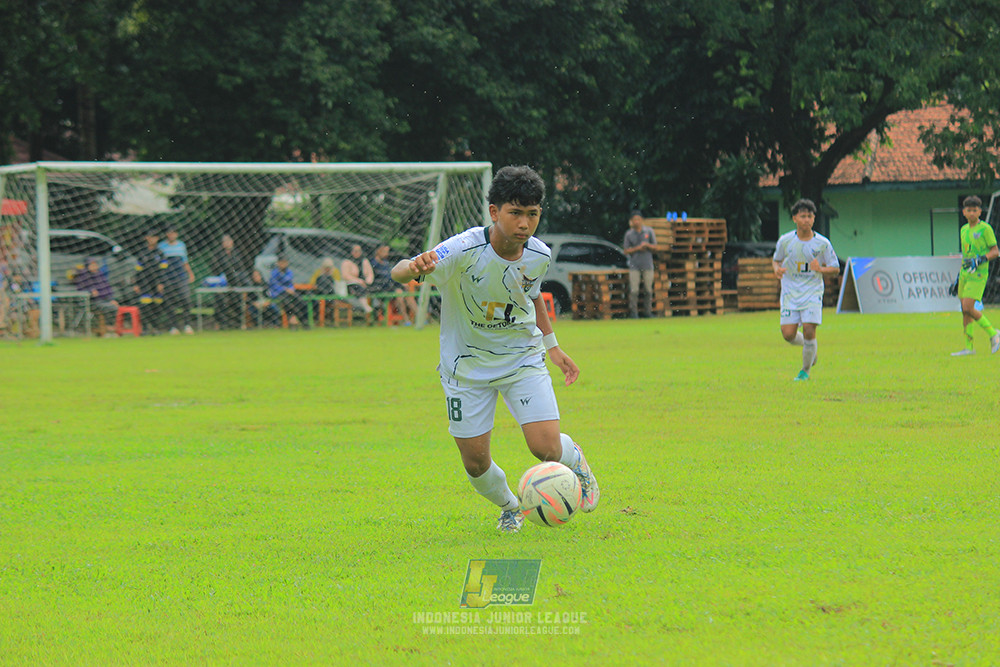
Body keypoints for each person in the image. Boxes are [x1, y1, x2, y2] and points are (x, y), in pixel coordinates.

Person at [390, 164, 600, 533]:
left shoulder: (539, 255)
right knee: (475, 463)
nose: (524, 223)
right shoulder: (461, 250)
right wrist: (411, 267)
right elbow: (399, 272)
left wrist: (553, 347)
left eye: (532, 214)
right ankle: (511, 506)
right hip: (465, 369)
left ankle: (576, 462)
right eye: (515, 213)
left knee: (546, 447)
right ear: (494, 212)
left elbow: (531, 297)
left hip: (522, 360)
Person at [772, 198, 840, 380]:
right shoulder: (785, 241)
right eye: (802, 216)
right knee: (788, 335)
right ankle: (811, 350)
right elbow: (776, 260)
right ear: (795, 218)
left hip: (812, 291)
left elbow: (835, 268)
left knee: (810, 329)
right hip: (790, 292)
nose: (806, 220)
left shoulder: (822, 243)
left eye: (810, 216)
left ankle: (805, 371)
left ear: (814, 219)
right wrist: (777, 270)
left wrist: (821, 269)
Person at [950, 195, 1000, 356]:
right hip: (965, 274)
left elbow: (995, 251)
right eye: (968, 210)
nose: (971, 213)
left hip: (978, 274)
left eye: (975, 210)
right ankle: (968, 348)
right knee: (964, 311)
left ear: (980, 211)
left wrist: (980, 260)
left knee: (968, 307)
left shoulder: (985, 229)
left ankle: (994, 333)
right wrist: (959, 278)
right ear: (964, 212)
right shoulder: (964, 230)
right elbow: (966, 255)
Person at [158, 225, 196, 335]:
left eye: (174, 233)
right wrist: (160, 281)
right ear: (167, 234)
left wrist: (190, 273)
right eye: (169, 233)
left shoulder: (181, 245)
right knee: (170, 301)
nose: (172, 235)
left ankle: (187, 325)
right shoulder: (161, 246)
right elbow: (160, 265)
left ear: (177, 234)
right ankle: (173, 327)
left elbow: (185, 261)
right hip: (167, 277)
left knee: (185, 299)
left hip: (181, 277)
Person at [623, 209, 657, 318]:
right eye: (634, 220)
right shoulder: (629, 234)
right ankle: (634, 313)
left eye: (638, 219)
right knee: (634, 290)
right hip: (634, 266)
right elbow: (626, 250)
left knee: (648, 289)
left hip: (648, 265)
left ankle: (647, 312)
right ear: (631, 221)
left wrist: (647, 246)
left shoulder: (649, 231)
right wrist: (638, 248)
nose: (637, 221)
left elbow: (655, 247)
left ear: (642, 220)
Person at [372, 244, 416, 325]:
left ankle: (420, 318)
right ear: (378, 251)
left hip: (393, 285)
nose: (387, 254)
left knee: (409, 295)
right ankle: (406, 320)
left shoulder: (386, 263)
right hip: (381, 287)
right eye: (385, 251)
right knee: (399, 293)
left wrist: (403, 283)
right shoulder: (373, 263)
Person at [210, 234, 248, 329]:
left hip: (235, 283)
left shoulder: (236, 253)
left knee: (237, 301)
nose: (227, 243)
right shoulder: (218, 254)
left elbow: (240, 267)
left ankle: (239, 323)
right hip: (222, 283)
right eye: (224, 241)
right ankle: (221, 324)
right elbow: (215, 268)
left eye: (228, 241)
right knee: (220, 301)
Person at [133, 229, 166, 332]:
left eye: (155, 237)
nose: (152, 239)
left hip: (157, 283)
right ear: (146, 238)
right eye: (150, 237)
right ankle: (146, 328)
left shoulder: (160, 253)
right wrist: (136, 284)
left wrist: (162, 283)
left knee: (157, 305)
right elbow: (138, 270)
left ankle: (155, 327)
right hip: (144, 282)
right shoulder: (142, 253)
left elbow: (164, 270)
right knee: (145, 305)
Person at [73, 258, 119, 330]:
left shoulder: (100, 275)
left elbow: (107, 289)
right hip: (90, 302)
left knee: (114, 305)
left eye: (95, 265)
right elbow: (80, 290)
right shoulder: (83, 277)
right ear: (87, 266)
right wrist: (90, 292)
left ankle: (112, 327)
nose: (94, 267)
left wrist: (111, 299)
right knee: (107, 307)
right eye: (92, 265)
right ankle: (106, 328)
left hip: (103, 299)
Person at [268, 256, 307, 327]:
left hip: (289, 293)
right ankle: (294, 321)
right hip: (277, 293)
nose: (283, 264)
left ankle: (301, 320)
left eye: (285, 262)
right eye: (282, 262)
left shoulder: (289, 272)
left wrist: (291, 289)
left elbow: (290, 284)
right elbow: (274, 285)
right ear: (278, 263)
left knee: (300, 301)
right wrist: (285, 289)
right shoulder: (274, 273)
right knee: (287, 303)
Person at [341, 244, 374, 313]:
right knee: (357, 287)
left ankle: (377, 309)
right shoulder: (347, 262)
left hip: (364, 285)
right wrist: (359, 281)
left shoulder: (364, 261)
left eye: (359, 251)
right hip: (352, 284)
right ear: (351, 251)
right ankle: (365, 306)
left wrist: (367, 282)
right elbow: (345, 276)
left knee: (374, 288)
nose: (357, 253)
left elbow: (370, 274)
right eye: (355, 251)